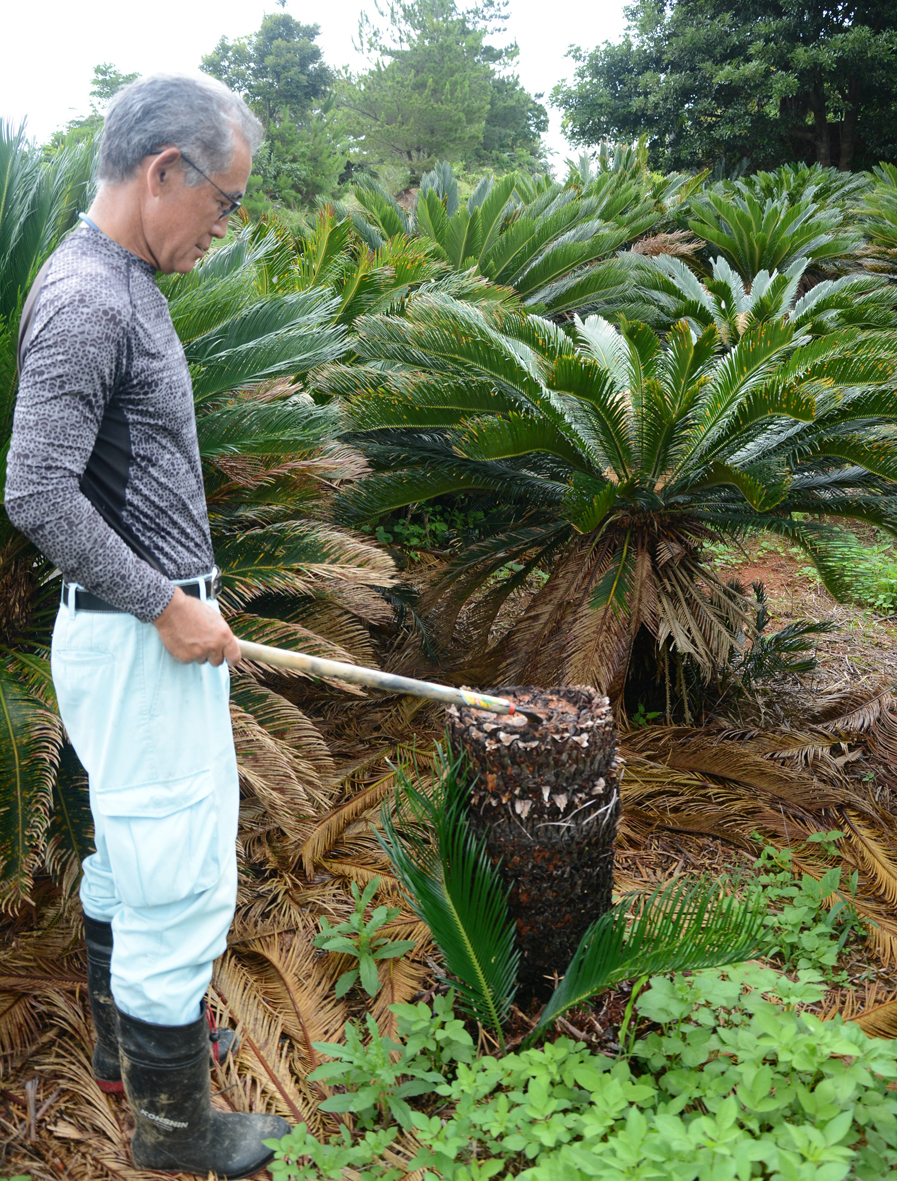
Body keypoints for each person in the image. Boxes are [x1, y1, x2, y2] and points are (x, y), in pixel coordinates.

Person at [5, 73, 290, 1177]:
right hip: (138, 637)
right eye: (225, 202)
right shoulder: (90, 296)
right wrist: (166, 601)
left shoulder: (123, 280)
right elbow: (35, 491)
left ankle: (134, 1053)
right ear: (165, 169)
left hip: (134, 635)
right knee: (173, 872)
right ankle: (180, 1136)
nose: (225, 228)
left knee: (132, 855)